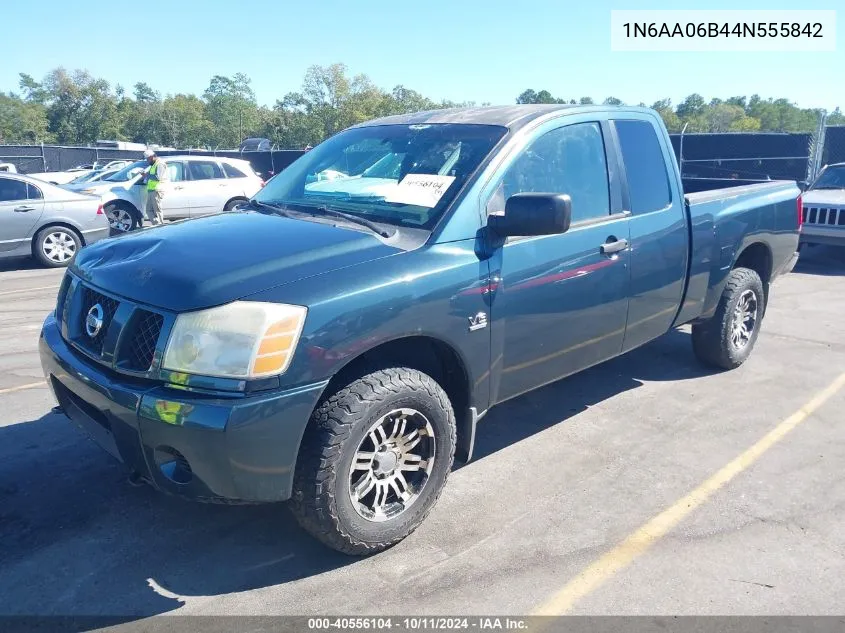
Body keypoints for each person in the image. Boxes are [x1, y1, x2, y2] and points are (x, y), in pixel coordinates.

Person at [141, 149, 169, 226]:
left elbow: (158, 177)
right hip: (151, 190)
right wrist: (145, 176)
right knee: (148, 210)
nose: (147, 161)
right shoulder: (153, 165)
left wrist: (147, 175)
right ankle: (156, 225)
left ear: (152, 157)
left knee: (157, 210)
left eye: (147, 159)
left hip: (157, 190)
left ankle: (160, 226)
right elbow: (151, 177)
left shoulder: (160, 164)